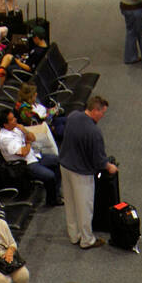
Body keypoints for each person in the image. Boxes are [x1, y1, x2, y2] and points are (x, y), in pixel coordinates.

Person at [58, 95, 118, 250]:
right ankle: (87, 239)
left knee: (70, 203)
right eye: (102, 112)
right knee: (85, 207)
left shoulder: (73, 116)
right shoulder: (94, 132)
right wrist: (109, 167)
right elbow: (99, 160)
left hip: (65, 166)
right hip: (81, 173)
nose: (103, 116)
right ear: (95, 110)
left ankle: (74, 235)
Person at [0, 110, 63, 207]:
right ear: (5, 125)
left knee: (57, 161)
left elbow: (33, 138)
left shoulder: (16, 128)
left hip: (34, 156)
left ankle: (56, 193)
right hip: (25, 165)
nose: (15, 119)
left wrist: (24, 130)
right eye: (12, 119)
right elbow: (23, 153)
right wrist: (28, 143)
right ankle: (52, 200)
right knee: (50, 176)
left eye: (14, 117)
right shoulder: (4, 138)